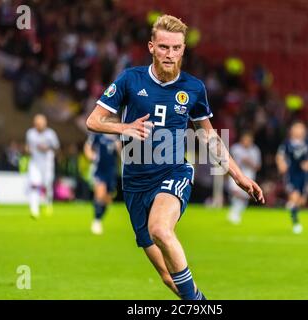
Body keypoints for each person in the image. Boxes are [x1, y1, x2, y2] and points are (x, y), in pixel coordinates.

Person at [86, 14, 264, 300]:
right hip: (134, 183)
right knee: (169, 278)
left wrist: (239, 176)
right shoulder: (131, 80)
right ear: (151, 47)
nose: (170, 54)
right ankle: (199, 301)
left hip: (173, 172)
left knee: (160, 228)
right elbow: (93, 121)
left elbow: (208, 136)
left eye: (176, 48)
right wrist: (124, 127)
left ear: (183, 49)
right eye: (164, 47)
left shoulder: (193, 88)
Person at [276, 121, 308, 234]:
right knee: (294, 196)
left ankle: (292, 207)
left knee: (301, 201)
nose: (299, 131)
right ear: (292, 131)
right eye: (297, 128)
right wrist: (281, 164)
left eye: (301, 129)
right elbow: (280, 156)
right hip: (291, 174)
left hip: (304, 175)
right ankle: (296, 223)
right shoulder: (287, 144)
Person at [84, 133, 120, 235]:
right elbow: (87, 146)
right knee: (99, 195)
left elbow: (123, 154)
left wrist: (119, 148)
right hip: (99, 170)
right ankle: (96, 221)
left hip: (112, 172)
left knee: (107, 199)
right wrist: (90, 156)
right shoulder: (97, 135)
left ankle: (99, 218)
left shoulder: (117, 137)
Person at [26, 114, 60, 218]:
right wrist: (27, 150)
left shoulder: (51, 134)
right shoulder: (30, 133)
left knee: (47, 184)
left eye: (40, 123)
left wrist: (47, 148)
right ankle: (34, 209)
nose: (38, 125)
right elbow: (28, 146)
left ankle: (48, 203)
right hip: (35, 162)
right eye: (36, 124)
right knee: (34, 184)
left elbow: (57, 148)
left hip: (47, 162)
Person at [227, 131, 261, 224]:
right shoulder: (235, 149)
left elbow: (258, 166)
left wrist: (250, 162)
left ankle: (236, 213)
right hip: (236, 174)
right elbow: (227, 162)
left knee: (245, 196)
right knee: (237, 193)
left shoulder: (255, 150)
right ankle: (234, 213)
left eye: (249, 140)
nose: (247, 142)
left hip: (249, 175)